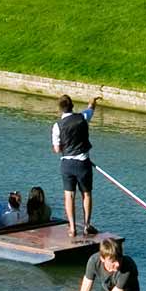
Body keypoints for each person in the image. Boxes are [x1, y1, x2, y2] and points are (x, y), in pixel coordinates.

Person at [51, 94, 99, 238]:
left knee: (69, 195)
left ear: (60, 109)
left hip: (67, 164)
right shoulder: (83, 117)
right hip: (83, 162)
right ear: (72, 106)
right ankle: (86, 225)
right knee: (86, 194)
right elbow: (91, 108)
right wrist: (93, 100)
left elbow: (57, 149)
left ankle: (72, 228)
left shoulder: (57, 126)